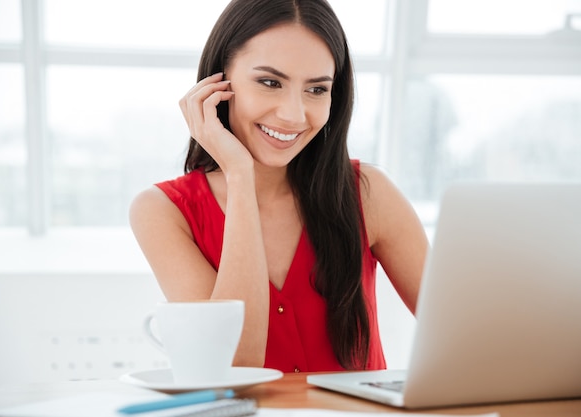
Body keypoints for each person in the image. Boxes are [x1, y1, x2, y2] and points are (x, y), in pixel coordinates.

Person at [130, 0, 429, 373]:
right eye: (270, 83)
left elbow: (465, 334)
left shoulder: (368, 193)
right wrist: (239, 174)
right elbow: (233, 366)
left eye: (317, 90)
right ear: (218, 83)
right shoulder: (163, 211)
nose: (293, 114)